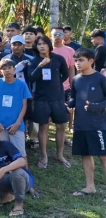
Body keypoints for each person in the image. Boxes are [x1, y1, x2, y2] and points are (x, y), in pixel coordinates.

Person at [68, 48, 106, 196]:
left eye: (81, 60)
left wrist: (95, 107)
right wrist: (68, 105)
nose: (77, 63)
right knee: (85, 154)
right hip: (80, 124)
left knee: (103, 156)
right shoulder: (76, 79)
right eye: (76, 60)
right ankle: (90, 186)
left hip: (98, 124)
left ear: (91, 61)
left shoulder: (100, 79)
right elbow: (73, 98)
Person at [28, 35, 70, 168]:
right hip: (41, 99)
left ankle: (60, 155)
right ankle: (44, 155)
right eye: (39, 44)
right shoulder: (33, 61)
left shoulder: (59, 59)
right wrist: (41, 66)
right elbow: (31, 78)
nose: (41, 46)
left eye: (44, 43)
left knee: (61, 126)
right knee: (43, 127)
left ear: (48, 45)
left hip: (58, 98)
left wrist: (56, 84)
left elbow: (65, 74)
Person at [0, 59, 32, 156]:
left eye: (9, 68)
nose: (7, 71)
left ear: (14, 69)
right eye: (4, 68)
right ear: (0, 71)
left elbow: (24, 106)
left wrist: (17, 123)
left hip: (16, 125)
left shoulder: (22, 85)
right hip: (0, 125)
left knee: (21, 154)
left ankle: (24, 171)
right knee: (1, 152)